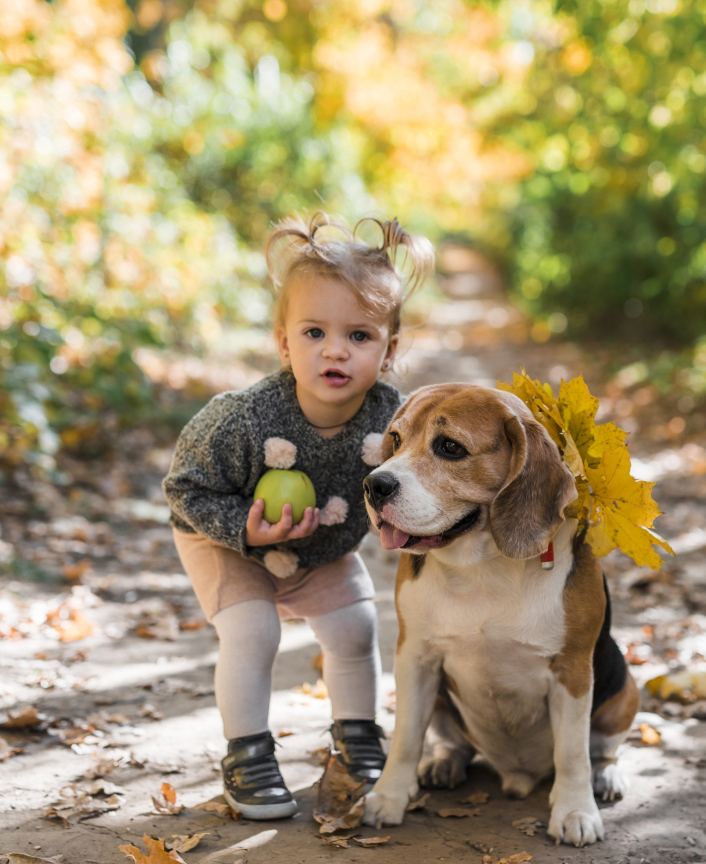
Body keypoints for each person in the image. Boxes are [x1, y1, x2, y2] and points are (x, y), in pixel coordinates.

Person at [163, 213, 434, 820]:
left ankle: (357, 737)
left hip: (319, 546)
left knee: (355, 628)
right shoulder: (245, 418)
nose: (335, 349)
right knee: (254, 630)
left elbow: (416, 480)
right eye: (314, 332)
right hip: (224, 537)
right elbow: (183, 488)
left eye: (359, 336)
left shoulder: (394, 417)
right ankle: (248, 752)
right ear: (285, 343)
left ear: (389, 351)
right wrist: (243, 530)